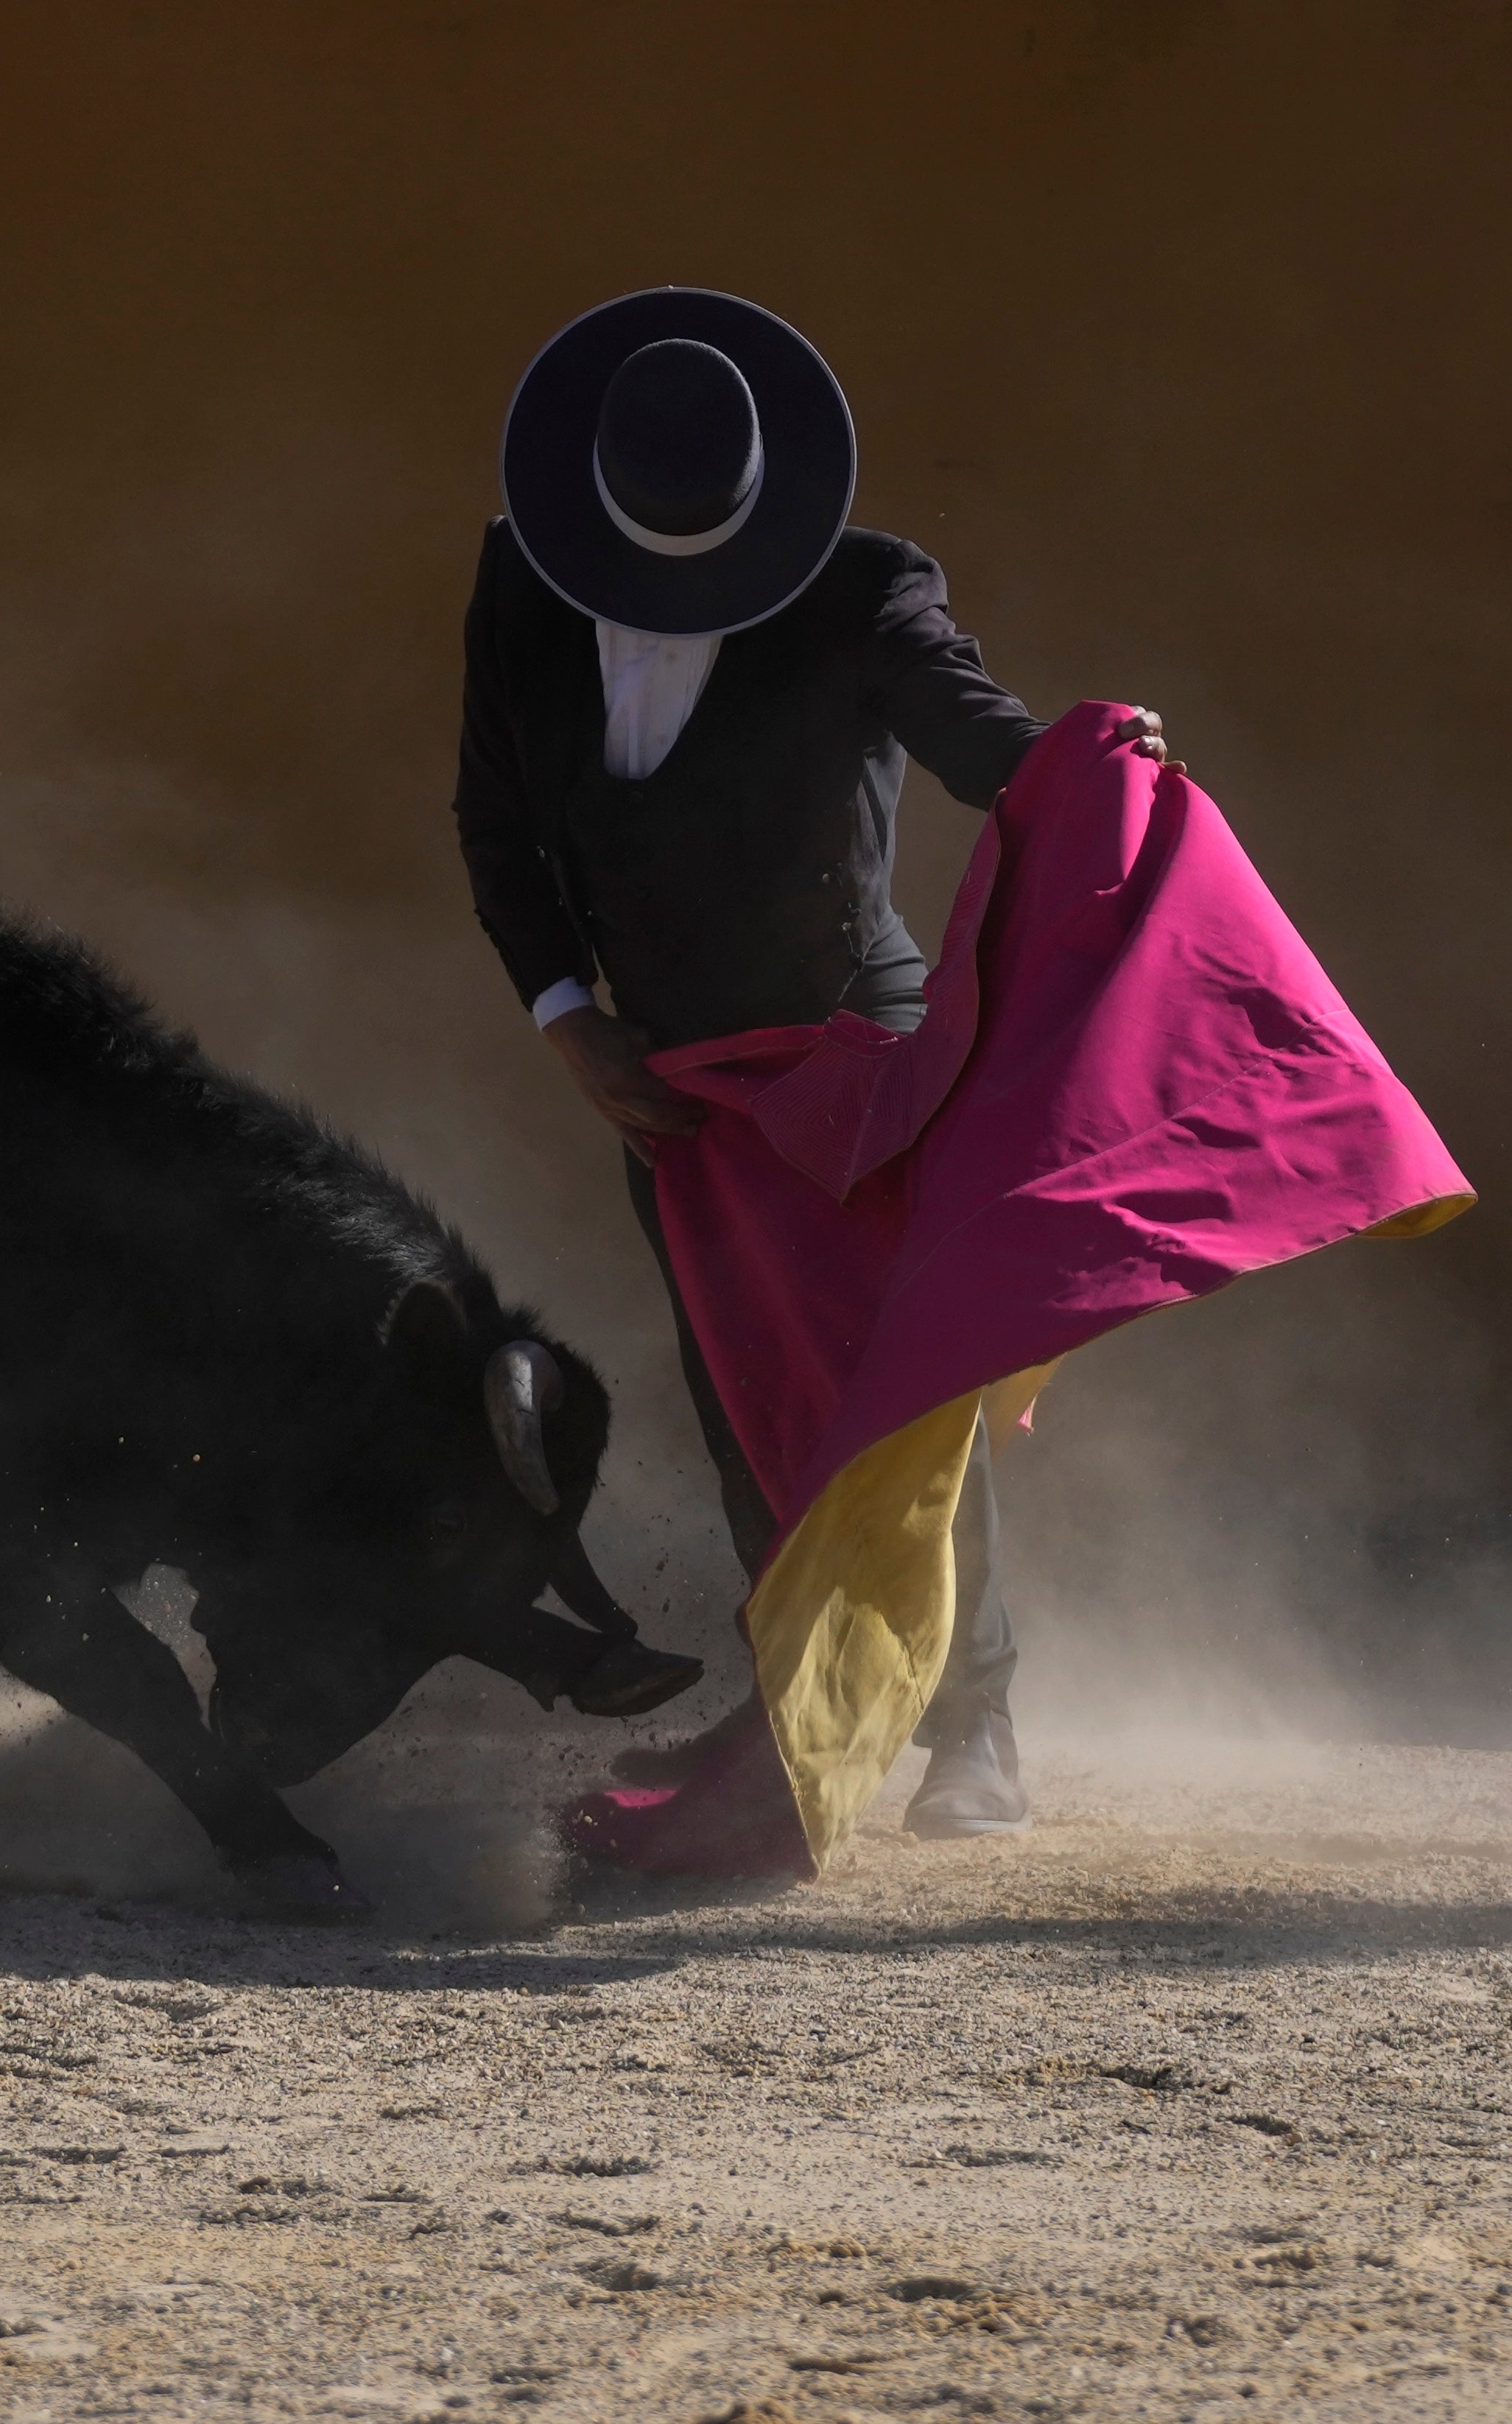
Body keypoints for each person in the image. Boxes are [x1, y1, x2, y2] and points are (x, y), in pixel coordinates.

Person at [451, 287, 1171, 1863]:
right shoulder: (520, 581)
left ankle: (969, 1718)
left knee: (902, 1394)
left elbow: (989, 752)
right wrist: (569, 1016)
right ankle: (808, 1696)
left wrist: (1096, 762)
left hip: (854, 1050)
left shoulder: (861, 592)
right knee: (741, 1397)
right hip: (667, 1079)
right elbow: (496, 825)